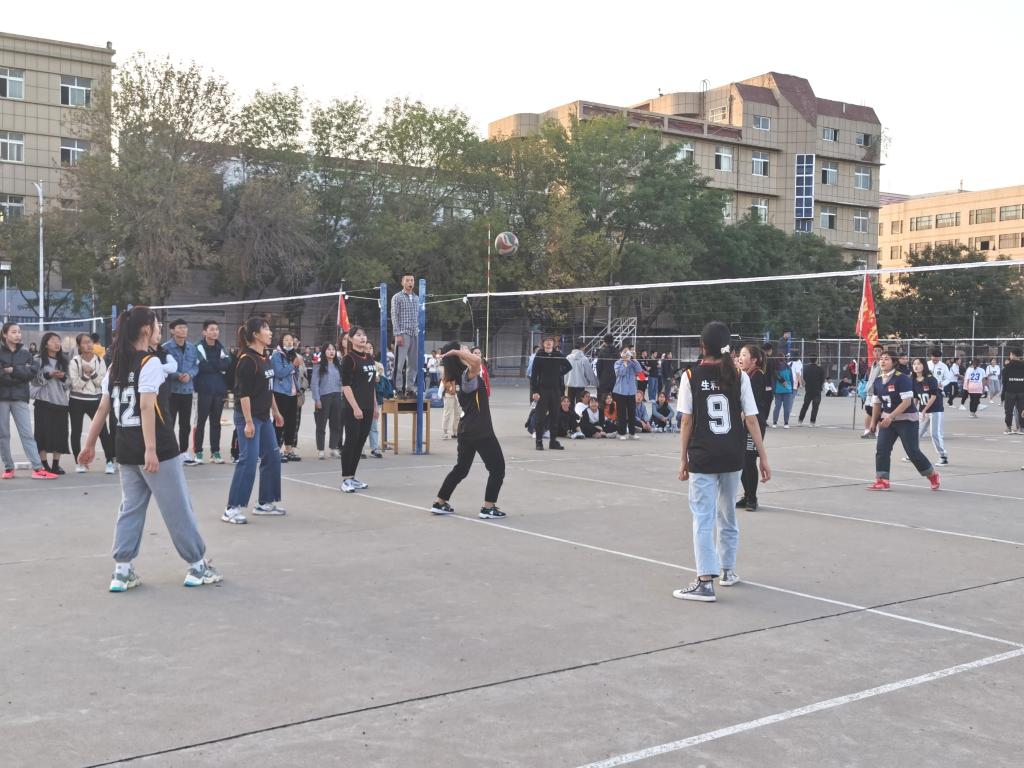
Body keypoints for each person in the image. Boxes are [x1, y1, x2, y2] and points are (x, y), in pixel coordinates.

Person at [78, 305, 221, 590]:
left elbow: (103, 409)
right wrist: (151, 450)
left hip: (125, 449)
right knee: (177, 508)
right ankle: (197, 566)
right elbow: (145, 406)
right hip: (156, 450)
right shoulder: (150, 362)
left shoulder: (116, 366)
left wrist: (89, 444)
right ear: (146, 330)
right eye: (156, 324)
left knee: (130, 509)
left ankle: (122, 570)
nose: (159, 329)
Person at [674, 322, 770, 602]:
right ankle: (727, 571)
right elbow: (751, 419)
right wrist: (763, 456)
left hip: (703, 455)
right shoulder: (739, 376)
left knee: (703, 518)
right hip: (732, 455)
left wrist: (682, 459)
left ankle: (705, 582)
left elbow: (687, 421)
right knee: (727, 515)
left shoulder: (690, 375)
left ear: (703, 346)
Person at [432, 343, 506, 519]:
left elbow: (476, 362)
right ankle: (488, 508)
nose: (466, 350)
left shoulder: (459, 377)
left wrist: (457, 353)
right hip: (480, 430)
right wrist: (456, 351)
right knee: (497, 468)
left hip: (466, 430)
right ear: (458, 356)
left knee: (461, 469)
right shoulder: (467, 376)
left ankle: (440, 503)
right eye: (462, 348)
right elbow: (477, 362)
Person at [223, 317, 286, 525]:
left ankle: (265, 503)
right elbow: (243, 395)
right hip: (248, 417)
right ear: (255, 335)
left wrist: (276, 412)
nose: (270, 332)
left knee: (273, 456)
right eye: (265, 329)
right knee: (248, 461)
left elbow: (268, 389)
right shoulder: (246, 360)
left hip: (264, 417)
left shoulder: (265, 358)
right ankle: (232, 508)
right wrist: (249, 422)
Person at [867, 350, 941, 492]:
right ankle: (882, 480)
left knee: (912, 452)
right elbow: (876, 403)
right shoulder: (877, 381)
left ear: (894, 362)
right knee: (882, 449)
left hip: (907, 420)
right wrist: (873, 422)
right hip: (888, 421)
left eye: (886, 359)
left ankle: (932, 475)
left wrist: (890, 416)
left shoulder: (902, 379)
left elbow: (906, 402)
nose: (882, 361)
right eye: (881, 359)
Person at [0, 323, 58, 480]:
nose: (18, 334)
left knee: (26, 433)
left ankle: (37, 468)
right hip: (2, 398)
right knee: (3, 434)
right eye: (13, 332)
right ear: (5, 334)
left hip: (20, 397)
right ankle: (8, 467)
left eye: (19, 332)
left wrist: (12, 370)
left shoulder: (26, 353)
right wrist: (19, 373)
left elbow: (31, 373)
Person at [69, 332, 115, 474]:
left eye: (90, 342)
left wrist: (92, 372)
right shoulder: (75, 362)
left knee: (103, 431)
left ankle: (109, 461)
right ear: (79, 346)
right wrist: (85, 375)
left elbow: (102, 383)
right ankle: (79, 462)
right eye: (85, 342)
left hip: (95, 400)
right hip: (76, 400)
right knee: (76, 432)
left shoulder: (100, 361)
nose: (88, 345)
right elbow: (75, 384)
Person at [340, 326, 378, 493]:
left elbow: (371, 385)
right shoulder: (349, 359)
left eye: (364, 335)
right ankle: (345, 479)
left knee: (360, 442)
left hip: (368, 406)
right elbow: (346, 386)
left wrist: (375, 406)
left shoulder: (369, 358)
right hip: (353, 408)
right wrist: (355, 407)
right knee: (351, 441)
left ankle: (353, 476)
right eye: (358, 335)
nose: (362, 338)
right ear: (351, 338)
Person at [736, 343, 772, 511]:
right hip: (743, 424)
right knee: (742, 460)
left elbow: (751, 406)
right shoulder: (744, 375)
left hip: (754, 425)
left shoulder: (757, 376)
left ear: (754, 360)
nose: (740, 358)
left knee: (749, 460)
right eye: (740, 355)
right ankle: (747, 495)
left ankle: (752, 498)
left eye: (744, 355)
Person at [32, 332, 71, 475]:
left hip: (61, 402)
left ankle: (56, 465)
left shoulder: (64, 361)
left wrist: (62, 377)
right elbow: (33, 381)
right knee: (42, 434)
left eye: (58, 341)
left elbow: (69, 383)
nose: (57, 343)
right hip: (43, 402)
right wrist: (48, 375)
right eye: (53, 341)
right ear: (45, 344)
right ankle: (44, 464)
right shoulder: (37, 360)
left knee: (60, 434)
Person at [161, 319, 199, 465]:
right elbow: (162, 367)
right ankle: (169, 452)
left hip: (187, 391)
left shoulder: (192, 348)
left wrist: (189, 375)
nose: (183, 330)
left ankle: (183, 453)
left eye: (185, 327)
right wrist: (177, 375)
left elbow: (196, 366)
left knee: (185, 424)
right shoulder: (165, 348)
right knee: (169, 423)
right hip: (171, 392)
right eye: (180, 327)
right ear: (172, 330)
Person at [194, 320, 232, 465]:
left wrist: (214, 364)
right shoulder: (198, 346)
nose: (215, 332)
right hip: (204, 390)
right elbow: (202, 366)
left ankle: (215, 453)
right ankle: (198, 452)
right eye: (211, 329)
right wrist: (218, 365)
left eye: (216, 329)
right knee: (201, 422)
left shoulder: (221, 346)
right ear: (204, 332)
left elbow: (227, 363)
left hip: (219, 390)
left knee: (216, 423)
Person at [530, 335, 572, 451]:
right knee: (540, 417)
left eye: (550, 341)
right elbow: (534, 374)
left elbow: (568, 366)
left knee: (555, 416)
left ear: (554, 344)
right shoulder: (539, 355)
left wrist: (558, 374)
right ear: (543, 343)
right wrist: (535, 391)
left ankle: (553, 442)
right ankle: (539, 441)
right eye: (546, 341)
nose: (548, 343)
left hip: (556, 390)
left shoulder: (558, 355)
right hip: (542, 390)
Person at [270, 332, 303, 461]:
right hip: (281, 392)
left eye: (291, 340)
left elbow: (296, 374)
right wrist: (293, 365)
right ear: (281, 342)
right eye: (286, 340)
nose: (289, 342)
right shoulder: (276, 355)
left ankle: (288, 449)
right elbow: (279, 373)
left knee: (291, 422)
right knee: (279, 422)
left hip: (293, 393)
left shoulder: (293, 354)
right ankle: (275, 449)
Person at [911, 357, 948, 466]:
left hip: (935, 409)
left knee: (935, 433)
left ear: (924, 366)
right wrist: (913, 410)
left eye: (918, 364)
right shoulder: (913, 380)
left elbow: (933, 396)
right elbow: (916, 397)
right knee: (915, 433)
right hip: (923, 410)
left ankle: (943, 456)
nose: (916, 366)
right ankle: (912, 453)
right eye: (914, 364)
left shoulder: (931, 379)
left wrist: (924, 410)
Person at [311, 342, 344, 459]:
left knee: (336, 424)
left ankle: (333, 448)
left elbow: (342, 381)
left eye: (333, 349)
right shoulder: (319, 366)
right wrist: (317, 399)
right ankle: (320, 449)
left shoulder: (338, 365)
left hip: (337, 396)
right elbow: (314, 384)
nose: (331, 351)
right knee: (321, 425)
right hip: (324, 397)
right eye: (329, 349)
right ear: (324, 351)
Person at [391, 272, 419, 397]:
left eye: (412, 280)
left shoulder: (417, 298)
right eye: (407, 280)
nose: (410, 283)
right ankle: (398, 388)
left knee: (413, 363)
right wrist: (397, 334)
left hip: (415, 332)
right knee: (399, 362)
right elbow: (394, 315)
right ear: (402, 282)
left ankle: (410, 388)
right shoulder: (397, 297)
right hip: (403, 332)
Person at [613, 345, 642, 440]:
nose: (627, 353)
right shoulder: (617, 363)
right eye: (624, 352)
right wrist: (624, 362)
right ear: (620, 353)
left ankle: (632, 433)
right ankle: (621, 433)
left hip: (631, 391)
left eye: (628, 351)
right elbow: (620, 373)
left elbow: (639, 371)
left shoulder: (632, 362)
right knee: (621, 414)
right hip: (620, 392)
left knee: (632, 412)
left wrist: (635, 359)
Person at [367, 341, 389, 459]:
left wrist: (379, 379)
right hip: (362, 397)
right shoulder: (359, 363)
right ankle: (360, 449)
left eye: (370, 347)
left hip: (376, 398)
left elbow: (384, 382)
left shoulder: (379, 365)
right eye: (366, 348)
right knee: (361, 425)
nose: (368, 350)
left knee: (374, 424)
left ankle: (374, 448)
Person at [861, 344, 884, 438]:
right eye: (875, 351)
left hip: (877, 393)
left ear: (882, 352)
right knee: (869, 411)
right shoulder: (873, 364)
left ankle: (880, 432)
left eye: (879, 351)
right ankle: (868, 431)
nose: (877, 353)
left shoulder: (882, 364)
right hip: (869, 392)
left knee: (878, 413)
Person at [565, 339, 597, 405]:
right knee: (580, 404)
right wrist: (595, 383)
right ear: (582, 347)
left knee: (570, 404)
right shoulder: (584, 359)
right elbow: (589, 373)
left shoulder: (568, 357)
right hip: (581, 385)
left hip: (570, 384)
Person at [1001, 349, 1024, 435]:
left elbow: (1004, 382)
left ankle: (1008, 427)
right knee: (1022, 410)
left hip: (1010, 391)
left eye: (1010, 354)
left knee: (1009, 410)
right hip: (1022, 391)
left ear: (1013, 355)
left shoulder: (1007, 366)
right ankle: (1022, 428)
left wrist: (1003, 395)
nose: (1010, 356)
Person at [797, 356, 825, 426]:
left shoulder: (806, 368)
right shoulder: (820, 369)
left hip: (808, 390)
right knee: (815, 407)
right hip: (817, 390)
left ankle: (800, 420)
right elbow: (822, 379)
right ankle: (812, 422)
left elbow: (804, 377)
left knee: (805, 406)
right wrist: (820, 385)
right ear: (816, 360)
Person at [770, 354, 794, 428]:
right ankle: (786, 423)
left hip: (778, 390)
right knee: (786, 408)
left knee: (777, 407)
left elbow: (773, 380)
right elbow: (791, 379)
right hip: (787, 389)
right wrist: (792, 389)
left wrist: (773, 390)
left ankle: (774, 423)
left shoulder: (775, 368)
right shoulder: (788, 367)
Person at [595, 334, 618, 406]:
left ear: (604, 342)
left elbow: (598, 366)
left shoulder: (601, 352)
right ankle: (614, 412)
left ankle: (602, 412)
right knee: (615, 399)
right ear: (613, 341)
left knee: (603, 399)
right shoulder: (617, 351)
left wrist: (599, 377)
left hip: (604, 378)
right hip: (615, 378)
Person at [441, 373, 460, 439]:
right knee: (447, 413)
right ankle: (445, 432)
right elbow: (443, 379)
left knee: (458, 413)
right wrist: (450, 388)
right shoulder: (448, 368)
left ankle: (455, 431)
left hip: (458, 393)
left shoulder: (460, 369)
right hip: (449, 393)